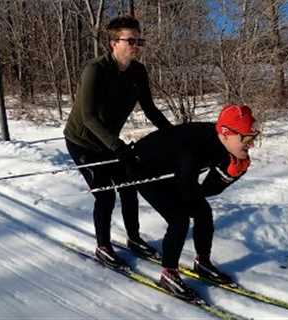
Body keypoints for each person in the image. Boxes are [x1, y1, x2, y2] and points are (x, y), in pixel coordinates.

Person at [63, 16, 172, 268]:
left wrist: (172, 134)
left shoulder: (138, 72)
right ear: (113, 43)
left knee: (128, 186)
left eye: (139, 40)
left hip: (108, 141)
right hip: (82, 142)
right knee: (105, 195)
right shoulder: (96, 70)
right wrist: (117, 146)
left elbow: (150, 109)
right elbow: (89, 118)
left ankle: (134, 239)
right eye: (130, 40)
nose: (136, 45)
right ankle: (103, 246)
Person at [127, 104, 258, 299]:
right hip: (144, 168)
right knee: (179, 219)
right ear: (225, 134)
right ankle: (168, 273)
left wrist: (230, 174)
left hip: (174, 170)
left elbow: (208, 190)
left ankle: (202, 262)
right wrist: (223, 177)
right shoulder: (193, 149)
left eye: (253, 137)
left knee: (203, 212)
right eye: (246, 139)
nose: (251, 144)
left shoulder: (227, 147)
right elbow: (187, 189)